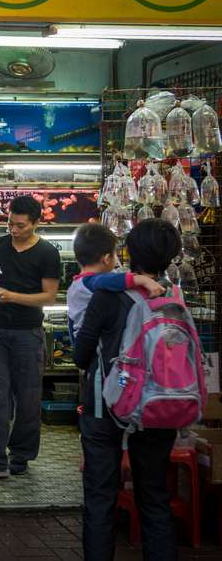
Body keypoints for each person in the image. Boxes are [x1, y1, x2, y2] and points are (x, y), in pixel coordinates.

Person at [74, 219, 182, 560]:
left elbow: (81, 354)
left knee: (100, 497)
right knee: (155, 496)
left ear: (128, 252)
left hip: (106, 405)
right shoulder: (174, 296)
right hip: (159, 404)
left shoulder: (108, 294)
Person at [0, 195, 61, 481]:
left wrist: (12, 296)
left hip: (29, 333)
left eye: (20, 225)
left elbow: (49, 296)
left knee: (28, 398)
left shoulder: (47, 253)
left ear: (36, 223)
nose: (13, 229)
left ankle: (21, 455)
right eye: (10, 223)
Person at [66, 223, 164, 344]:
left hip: (83, 340)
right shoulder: (92, 281)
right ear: (107, 259)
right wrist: (143, 280)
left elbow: (71, 321)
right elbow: (111, 281)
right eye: (115, 254)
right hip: (96, 343)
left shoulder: (76, 285)